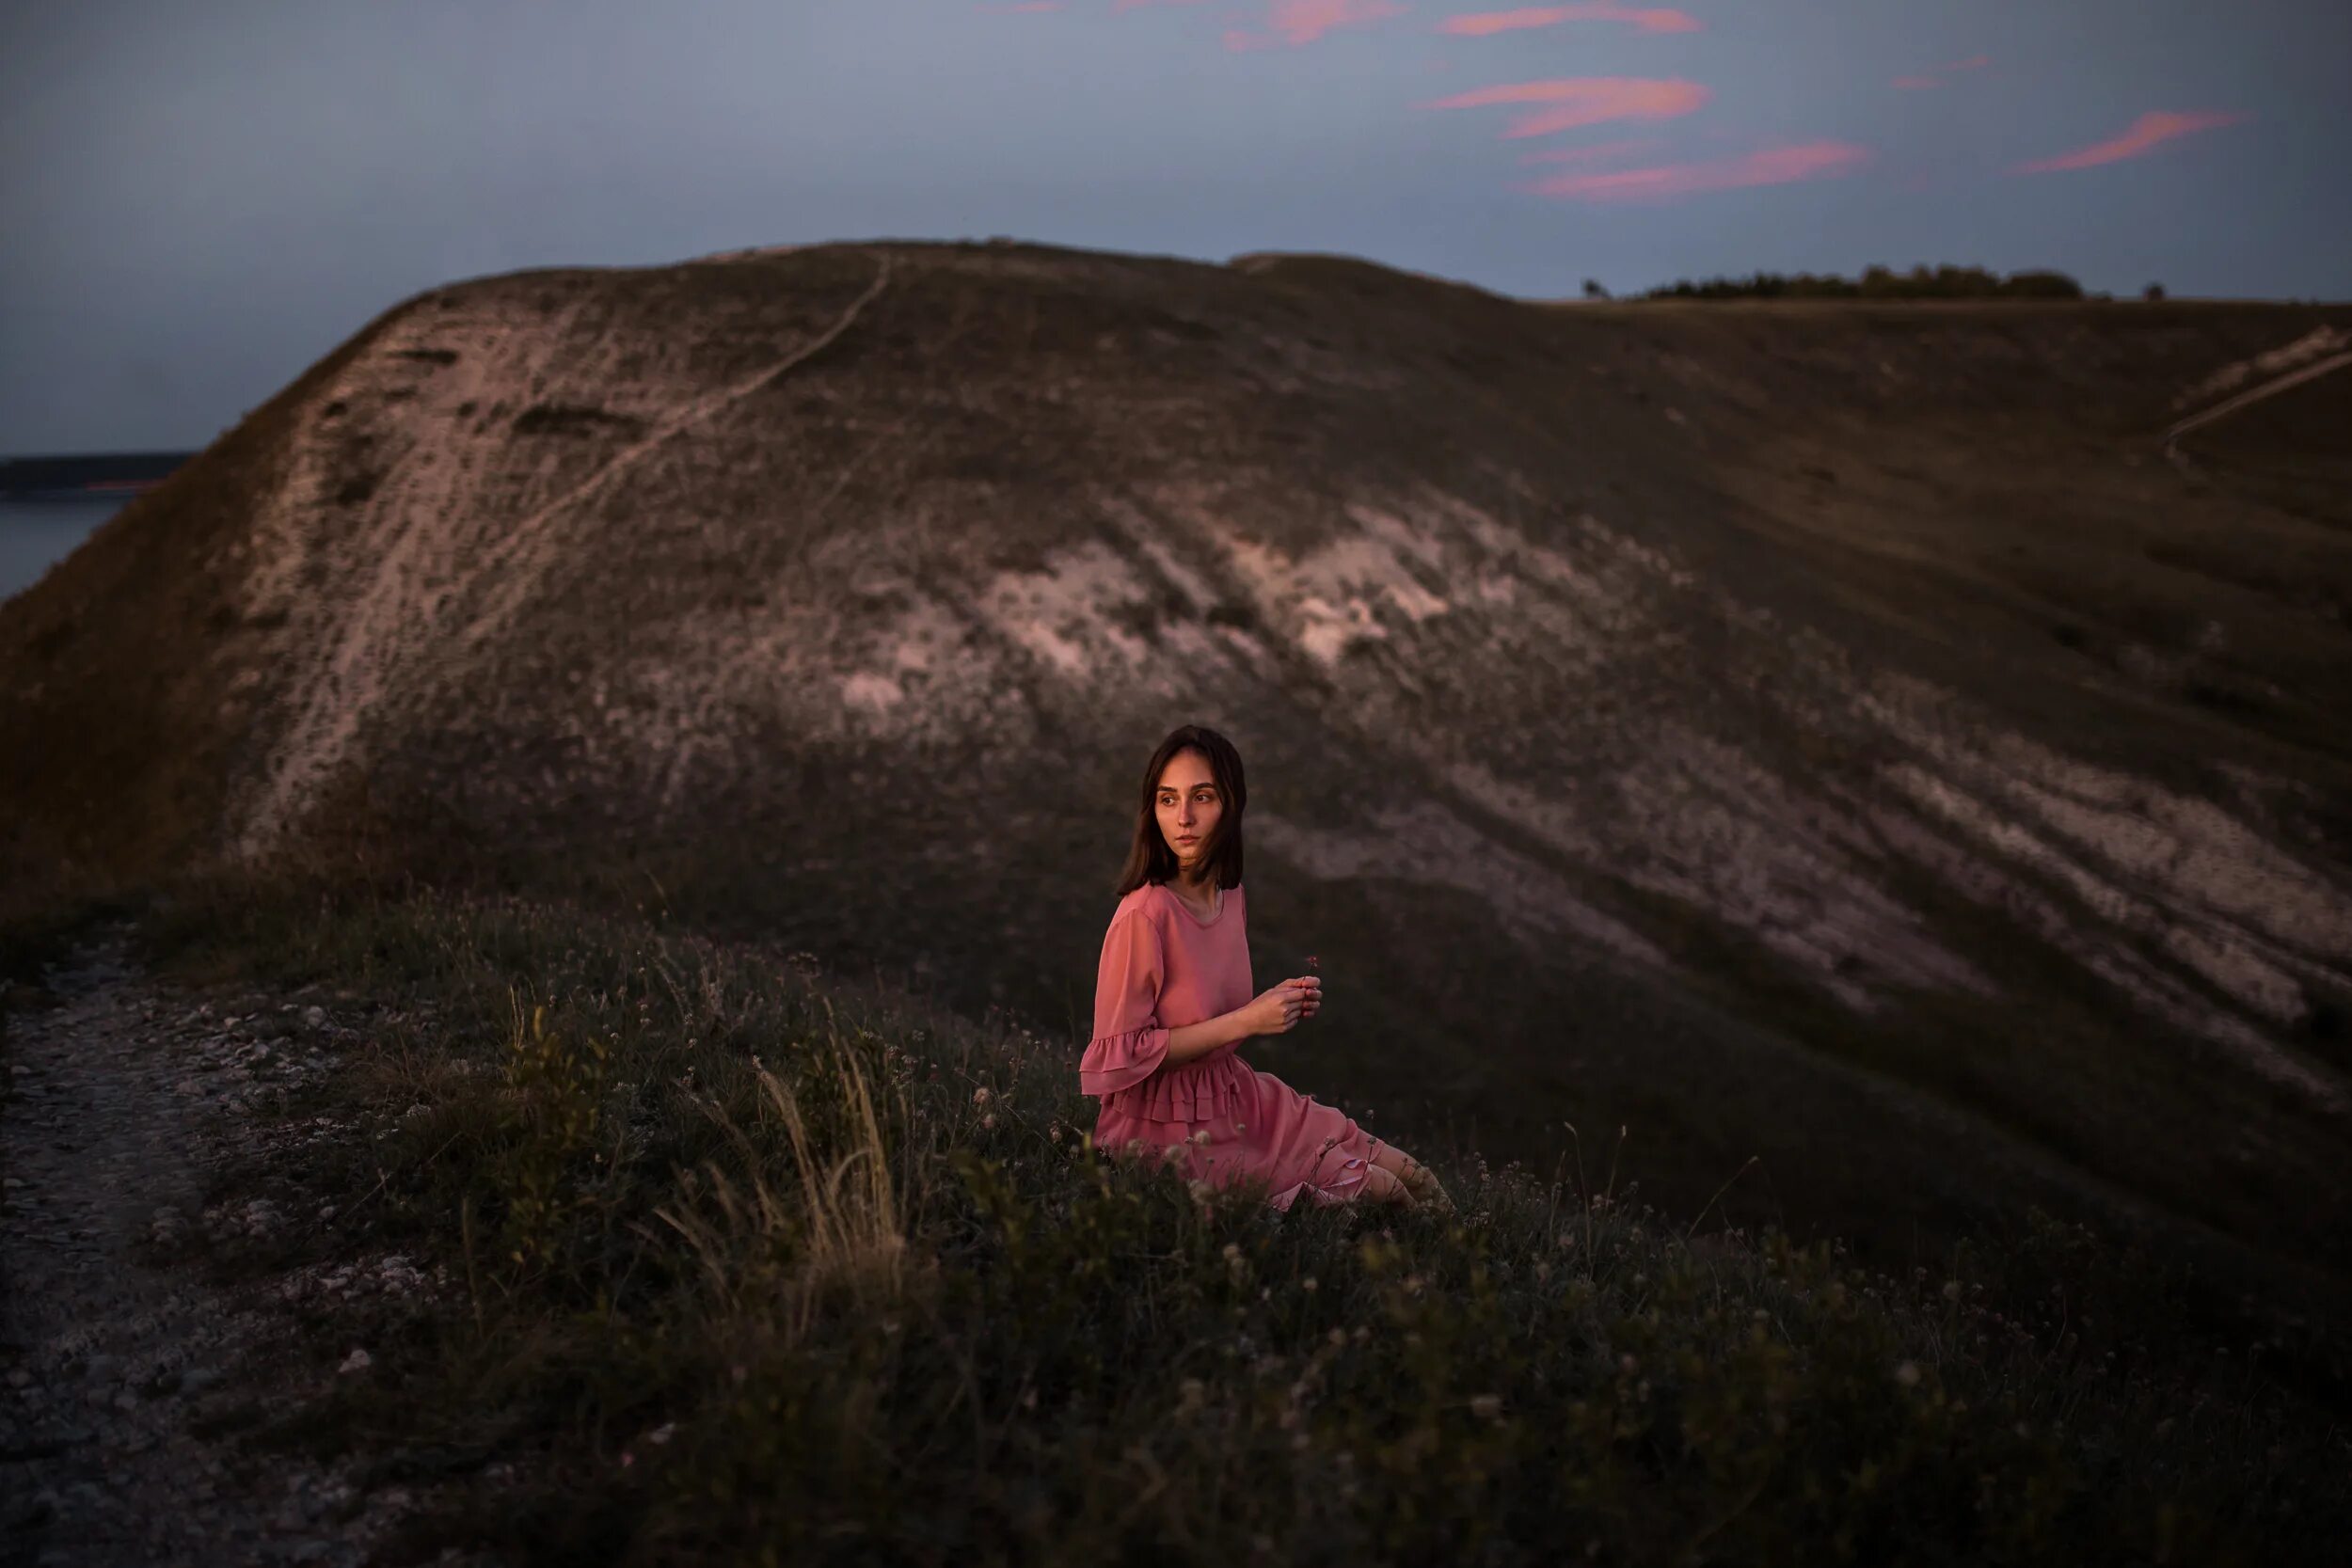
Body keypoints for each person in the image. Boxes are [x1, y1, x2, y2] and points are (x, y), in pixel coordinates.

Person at [1079, 723, 1454, 1212]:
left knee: (1416, 1178)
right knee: (1387, 1195)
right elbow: (1118, 1058)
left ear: (1230, 806)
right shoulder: (1143, 916)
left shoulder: (1229, 895)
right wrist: (1248, 1021)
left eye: (1203, 797)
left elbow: (1212, 994)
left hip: (1233, 1096)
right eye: (1168, 799)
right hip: (1161, 1124)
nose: (1184, 818)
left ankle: (1485, 1273)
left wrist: (1278, 1005)